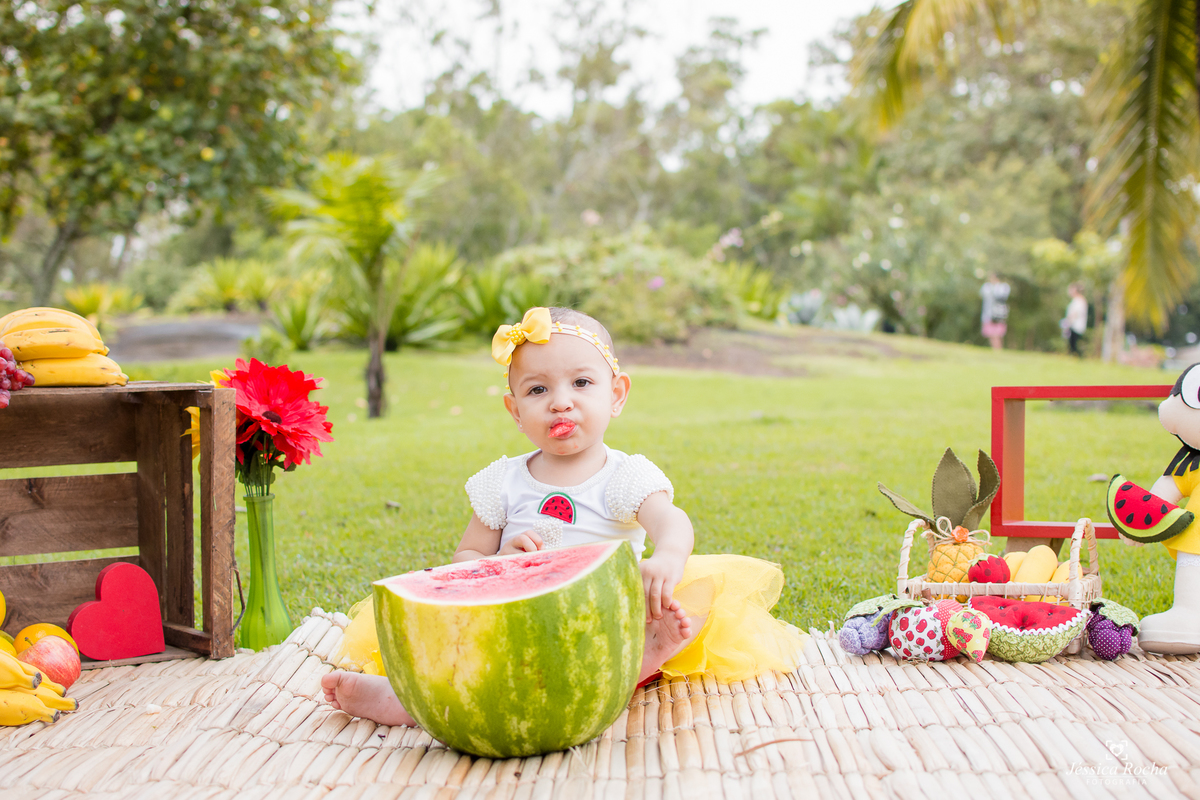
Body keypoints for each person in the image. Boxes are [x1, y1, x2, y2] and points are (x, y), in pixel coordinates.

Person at [320, 306, 807, 726]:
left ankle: (643, 656)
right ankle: (407, 697)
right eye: (537, 390)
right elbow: (465, 555)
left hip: (607, 621)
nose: (560, 401)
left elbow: (671, 521)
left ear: (616, 394)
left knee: (697, 601)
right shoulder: (503, 482)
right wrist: (497, 563)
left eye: (581, 383)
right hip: (513, 621)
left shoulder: (623, 477)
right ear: (515, 410)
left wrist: (668, 558)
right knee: (465, 650)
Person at [980, 272, 1010, 350]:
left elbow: (1001, 296)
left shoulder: (1003, 287)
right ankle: (995, 349)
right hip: (988, 314)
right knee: (990, 334)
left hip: (999, 314)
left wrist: (995, 286)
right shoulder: (987, 286)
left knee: (997, 334)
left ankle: (998, 350)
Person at [1062, 283, 1088, 357]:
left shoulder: (1079, 300)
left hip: (1076, 325)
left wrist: (1068, 322)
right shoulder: (1076, 300)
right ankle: (1073, 355)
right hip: (1073, 324)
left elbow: (1076, 313)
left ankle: (1076, 356)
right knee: (1072, 343)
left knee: (1074, 344)